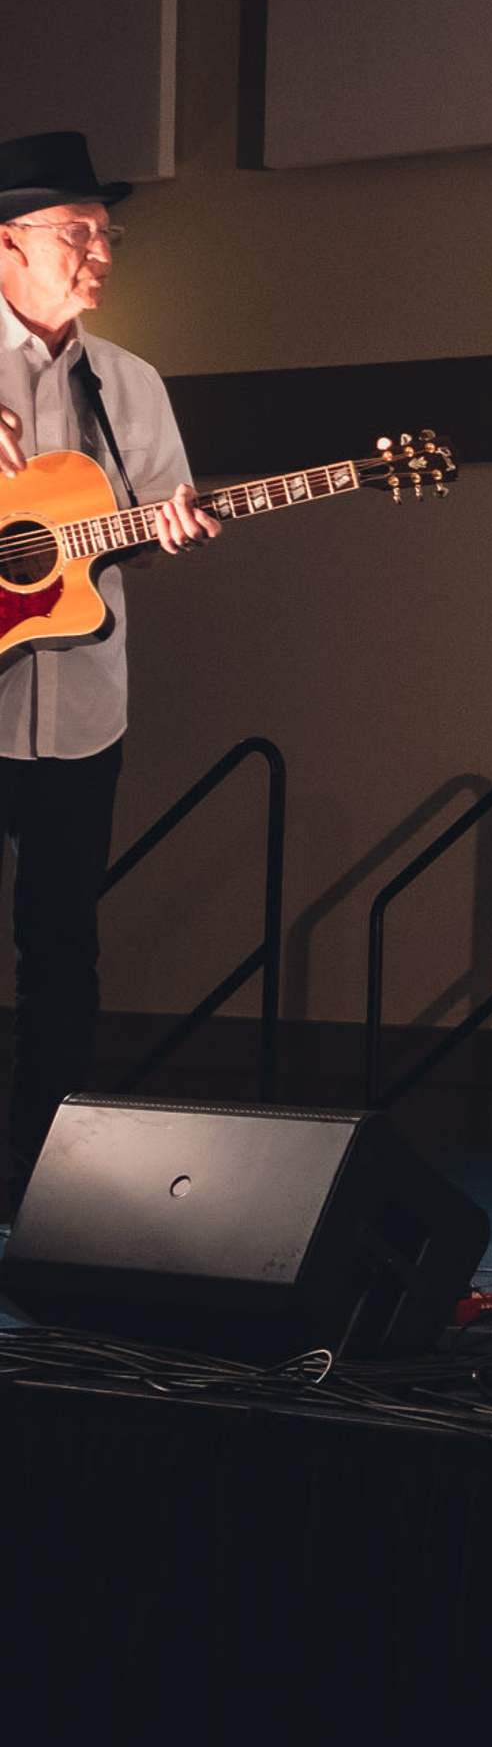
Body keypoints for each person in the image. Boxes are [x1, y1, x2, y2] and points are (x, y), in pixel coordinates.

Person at [0, 130, 218, 1205]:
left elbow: (144, 516)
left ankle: (40, 1181)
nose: (101, 251)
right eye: (77, 232)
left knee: (62, 948)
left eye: (105, 232)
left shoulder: (125, 383)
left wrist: (163, 529)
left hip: (82, 708)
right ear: (9, 242)